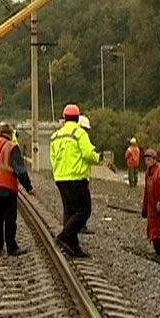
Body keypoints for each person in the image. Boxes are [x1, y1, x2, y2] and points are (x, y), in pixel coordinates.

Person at [50, 104, 100, 257]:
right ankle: (64, 237)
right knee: (84, 211)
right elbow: (88, 154)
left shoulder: (55, 136)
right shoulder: (79, 133)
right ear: (77, 118)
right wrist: (98, 158)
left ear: (64, 118)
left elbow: (53, 158)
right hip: (76, 178)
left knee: (70, 211)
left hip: (60, 178)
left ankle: (73, 247)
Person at [0, 123, 34, 256]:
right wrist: (29, 187)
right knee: (10, 218)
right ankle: (11, 247)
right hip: (8, 187)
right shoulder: (12, 147)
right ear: (10, 134)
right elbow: (20, 170)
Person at [77, 114, 95, 235]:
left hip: (70, 176)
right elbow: (89, 154)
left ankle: (73, 228)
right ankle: (76, 229)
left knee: (73, 207)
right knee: (84, 207)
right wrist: (100, 159)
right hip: (79, 176)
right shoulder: (81, 137)